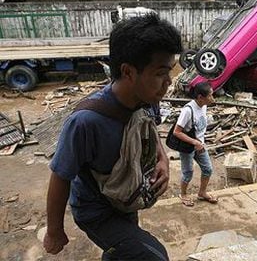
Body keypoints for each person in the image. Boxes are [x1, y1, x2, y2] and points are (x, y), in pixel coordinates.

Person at [43, 13, 182, 260]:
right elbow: (61, 175)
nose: (168, 83)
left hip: (126, 197)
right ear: (128, 71)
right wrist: (54, 231)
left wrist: (163, 160)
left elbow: (150, 131)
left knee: (124, 251)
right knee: (154, 256)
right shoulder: (86, 122)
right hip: (96, 210)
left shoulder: (148, 100)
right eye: (161, 73)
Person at [173, 82, 218, 207]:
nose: (212, 98)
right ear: (200, 97)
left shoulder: (203, 106)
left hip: (200, 145)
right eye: (210, 96)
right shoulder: (188, 111)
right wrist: (194, 142)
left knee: (208, 169)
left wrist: (200, 142)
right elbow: (176, 132)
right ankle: (183, 194)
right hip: (187, 147)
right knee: (188, 173)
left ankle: (202, 192)